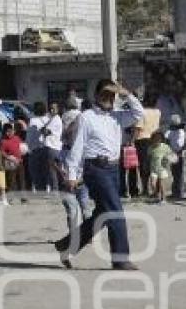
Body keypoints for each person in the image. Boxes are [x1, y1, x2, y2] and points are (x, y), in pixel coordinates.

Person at [53, 79, 144, 270]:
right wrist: (71, 174)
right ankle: (120, 258)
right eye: (104, 94)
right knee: (116, 211)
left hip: (113, 169)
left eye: (111, 95)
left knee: (103, 214)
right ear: (96, 95)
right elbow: (77, 146)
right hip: (95, 169)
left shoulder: (118, 116)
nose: (108, 98)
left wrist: (125, 93)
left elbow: (139, 113)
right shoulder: (86, 117)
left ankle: (66, 245)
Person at [134, 96, 161, 197]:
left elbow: (138, 128)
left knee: (144, 166)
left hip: (143, 140)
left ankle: (145, 189)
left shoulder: (142, 112)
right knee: (154, 165)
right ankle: (156, 189)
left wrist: (132, 141)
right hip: (155, 139)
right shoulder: (158, 112)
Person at [147, 130, 174, 204]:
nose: (157, 140)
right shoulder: (151, 148)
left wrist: (168, 159)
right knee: (153, 183)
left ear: (161, 139)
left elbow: (171, 155)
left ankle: (164, 199)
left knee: (162, 185)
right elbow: (149, 157)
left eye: (159, 139)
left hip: (163, 168)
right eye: (155, 139)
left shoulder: (165, 147)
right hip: (153, 169)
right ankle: (157, 195)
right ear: (152, 139)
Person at [165, 115, 186, 199]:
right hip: (172, 153)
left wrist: (179, 152)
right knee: (174, 173)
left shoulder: (181, 132)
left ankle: (179, 193)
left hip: (179, 154)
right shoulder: (170, 131)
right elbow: (167, 139)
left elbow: (182, 144)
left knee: (179, 174)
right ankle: (175, 192)